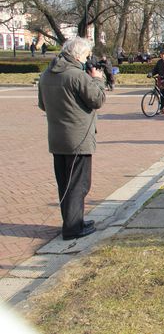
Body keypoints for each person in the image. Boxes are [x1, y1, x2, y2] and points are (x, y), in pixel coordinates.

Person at [37, 37, 106, 240]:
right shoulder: (77, 75)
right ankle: (73, 227)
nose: (87, 59)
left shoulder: (46, 74)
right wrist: (97, 79)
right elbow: (98, 99)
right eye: (86, 56)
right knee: (79, 184)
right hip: (78, 138)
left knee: (65, 183)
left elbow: (42, 104)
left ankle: (73, 220)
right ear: (77, 55)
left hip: (57, 137)